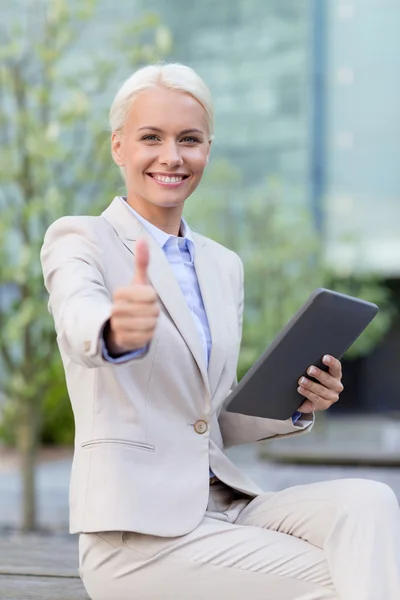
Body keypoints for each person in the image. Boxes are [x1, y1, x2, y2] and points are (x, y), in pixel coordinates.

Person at [40, 62, 400, 600]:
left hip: (227, 506)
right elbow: (77, 318)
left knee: (370, 503)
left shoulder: (221, 265)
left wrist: (298, 402)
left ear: (208, 148)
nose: (172, 156)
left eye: (190, 139)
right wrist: (116, 329)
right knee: (341, 579)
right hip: (137, 537)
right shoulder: (81, 239)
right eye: (150, 138)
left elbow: (209, 419)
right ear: (119, 147)